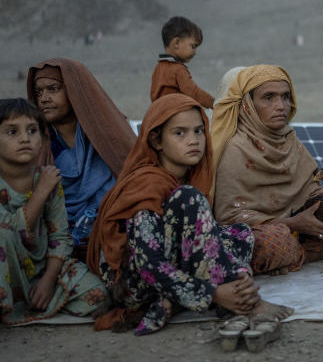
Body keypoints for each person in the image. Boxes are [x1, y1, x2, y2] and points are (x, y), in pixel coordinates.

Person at [87, 93, 292, 336]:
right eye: (180, 133)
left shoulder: (189, 176)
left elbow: (202, 238)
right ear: (156, 141)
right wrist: (213, 293)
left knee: (240, 233)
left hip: (168, 269)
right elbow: (148, 264)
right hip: (135, 285)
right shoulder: (146, 186)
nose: (193, 140)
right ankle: (243, 303)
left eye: (198, 131)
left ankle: (212, 297)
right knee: (189, 198)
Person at [0, 99, 110, 335]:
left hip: (41, 266)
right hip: (2, 268)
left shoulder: (48, 177)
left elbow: (60, 236)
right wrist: (41, 191)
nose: (25, 139)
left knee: (98, 295)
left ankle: (31, 301)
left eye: (32, 131)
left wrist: (49, 280)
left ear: (42, 140)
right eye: (12, 132)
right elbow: (9, 231)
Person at [211, 65, 323, 275]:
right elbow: (229, 217)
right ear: (248, 105)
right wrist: (293, 223)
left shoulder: (289, 140)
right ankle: (306, 255)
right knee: (273, 244)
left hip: (302, 226)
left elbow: (312, 191)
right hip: (261, 232)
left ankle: (298, 252)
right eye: (269, 97)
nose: (281, 106)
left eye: (285, 97)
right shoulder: (235, 149)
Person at [27, 58, 136, 257]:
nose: (43, 98)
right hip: (60, 236)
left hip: (113, 223)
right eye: (39, 92)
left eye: (53, 89)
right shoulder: (36, 144)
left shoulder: (107, 132)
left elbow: (135, 178)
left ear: (75, 90)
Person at [150, 16, 215, 108]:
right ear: (176, 43)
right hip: (176, 111)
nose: (195, 52)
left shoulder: (158, 68)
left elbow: (153, 95)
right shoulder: (177, 69)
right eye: (193, 46)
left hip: (157, 112)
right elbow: (193, 92)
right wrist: (215, 103)